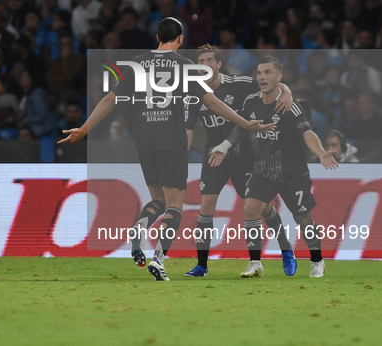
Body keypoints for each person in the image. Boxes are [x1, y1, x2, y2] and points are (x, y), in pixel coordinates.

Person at [59, 18, 274, 281]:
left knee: (158, 201)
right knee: (175, 207)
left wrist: (84, 129)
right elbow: (212, 101)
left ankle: (141, 225)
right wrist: (243, 122)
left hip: (144, 140)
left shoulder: (136, 62)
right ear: (180, 39)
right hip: (171, 140)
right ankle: (158, 259)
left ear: (158, 37)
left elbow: (110, 99)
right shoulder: (184, 66)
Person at [209, 56, 339, 278]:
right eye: (259, 72)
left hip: (293, 172)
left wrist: (320, 153)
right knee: (250, 209)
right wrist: (224, 145)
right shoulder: (251, 101)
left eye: (268, 72)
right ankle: (255, 262)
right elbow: (242, 126)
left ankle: (317, 260)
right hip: (265, 169)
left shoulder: (289, 105)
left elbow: (307, 133)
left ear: (279, 76)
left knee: (303, 218)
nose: (262, 77)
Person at [184, 45, 297, 278]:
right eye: (200, 61)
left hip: (244, 153)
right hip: (214, 153)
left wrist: (287, 91)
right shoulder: (194, 91)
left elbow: (270, 83)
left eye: (209, 60)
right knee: (206, 208)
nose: (205, 64)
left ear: (218, 64)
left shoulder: (240, 83)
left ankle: (284, 249)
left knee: (260, 207)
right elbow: (189, 130)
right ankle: (202, 266)